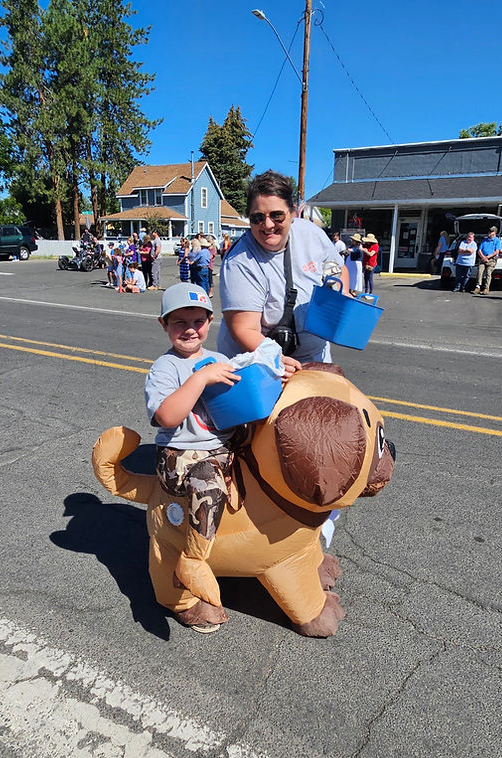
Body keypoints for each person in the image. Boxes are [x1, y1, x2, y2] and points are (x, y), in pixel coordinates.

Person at [144, 283, 241, 632]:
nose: (189, 328)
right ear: (163, 324)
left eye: (198, 320)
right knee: (208, 483)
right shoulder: (165, 368)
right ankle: (192, 561)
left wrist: (277, 370)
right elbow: (168, 417)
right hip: (181, 455)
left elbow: (245, 401)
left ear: (210, 321)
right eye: (178, 321)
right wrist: (201, 378)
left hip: (223, 448)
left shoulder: (221, 360)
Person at [217, 170, 349, 378]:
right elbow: (244, 329)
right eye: (258, 218)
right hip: (262, 362)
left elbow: (338, 269)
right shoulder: (239, 261)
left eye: (277, 215)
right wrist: (276, 360)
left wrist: (343, 296)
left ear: (293, 212)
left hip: (315, 355)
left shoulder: (311, 233)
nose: (267, 225)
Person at [474, 226, 501, 295]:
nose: (489, 233)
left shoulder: (497, 241)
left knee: (488, 273)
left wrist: (488, 257)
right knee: (480, 271)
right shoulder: (484, 240)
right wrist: (483, 257)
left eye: (491, 232)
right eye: (489, 231)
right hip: (483, 258)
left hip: (491, 259)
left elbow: (497, 251)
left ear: (494, 233)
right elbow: (479, 250)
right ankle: (478, 287)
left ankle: (486, 288)